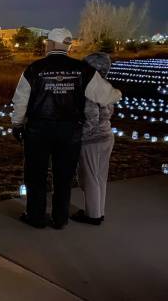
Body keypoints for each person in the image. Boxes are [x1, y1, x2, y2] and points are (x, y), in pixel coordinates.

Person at [11, 29, 121, 229]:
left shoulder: (34, 69)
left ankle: (36, 217)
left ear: (51, 45)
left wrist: (17, 124)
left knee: (36, 175)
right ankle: (60, 219)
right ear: (68, 46)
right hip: (69, 132)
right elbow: (109, 96)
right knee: (64, 176)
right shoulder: (82, 70)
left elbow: (20, 102)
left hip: (39, 131)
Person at [71, 53, 115, 225]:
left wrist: (79, 137)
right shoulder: (105, 86)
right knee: (100, 176)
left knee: (88, 177)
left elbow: (91, 118)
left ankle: (93, 215)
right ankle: (98, 211)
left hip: (93, 140)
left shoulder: (90, 89)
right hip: (106, 136)